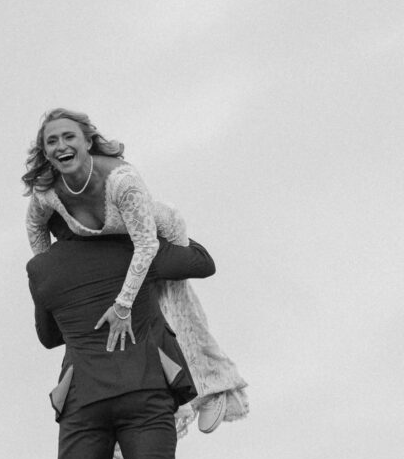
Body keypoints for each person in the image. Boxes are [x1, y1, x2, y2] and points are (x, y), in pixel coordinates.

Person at [23, 108, 248, 437]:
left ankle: (211, 386)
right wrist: (57, 274)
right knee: (120, 318)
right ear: (45, 152)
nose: (60, 145)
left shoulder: (122, 182)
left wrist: (123, 304)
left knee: (170, 302)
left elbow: (145, 245)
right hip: (102, 246)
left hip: (153, 235)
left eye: (68, 137)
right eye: (51, 141)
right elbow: (34, 226)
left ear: (87, 142)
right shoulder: (48, 191)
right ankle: (159, 401)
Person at [27, 217, 216, 459]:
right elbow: (202, 261)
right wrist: (153, 218)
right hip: (146, 390)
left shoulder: (41, 267)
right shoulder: (136, 247)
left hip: (83, 399)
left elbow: (49, 337)